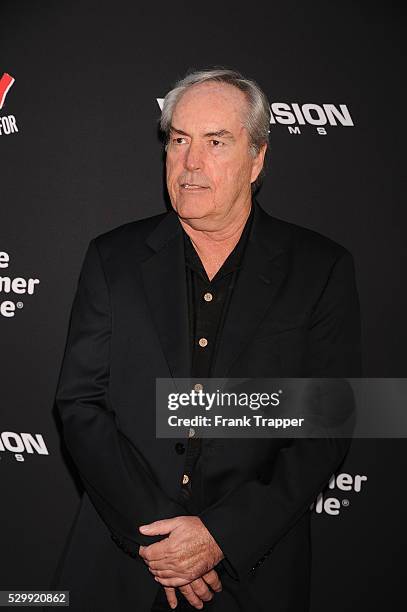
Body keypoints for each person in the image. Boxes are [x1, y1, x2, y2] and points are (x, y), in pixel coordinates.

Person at [49, 68, 362, 612]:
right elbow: (79, 404)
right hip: (122, 565)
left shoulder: (320, 268)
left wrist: (219, 536)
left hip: (253, 574)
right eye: (179, 140)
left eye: (216, 142)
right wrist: (162, 541)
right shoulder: (112, 258)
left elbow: (326, 428)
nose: (190, 163)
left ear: (258, 158)